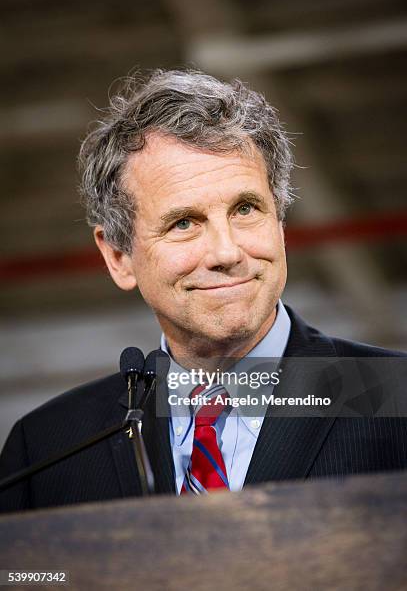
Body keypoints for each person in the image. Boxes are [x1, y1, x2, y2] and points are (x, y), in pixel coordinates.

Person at [1, 69, 406, 512]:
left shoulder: (396, 398)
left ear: (281, 223)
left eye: (246, 209)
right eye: (184, 223)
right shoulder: (46, 447)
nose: (226, 251)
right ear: (118, 257)